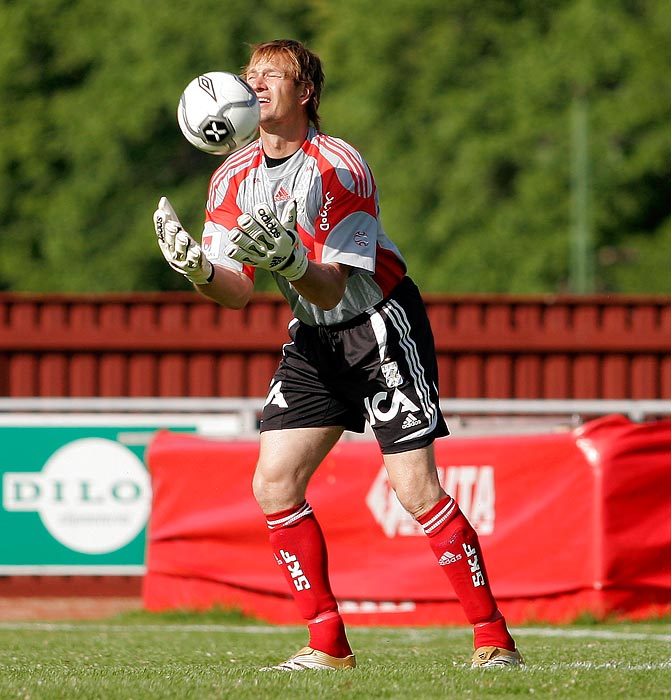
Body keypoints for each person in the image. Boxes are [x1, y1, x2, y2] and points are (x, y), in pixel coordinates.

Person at [153, 38, 523, 671]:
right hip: (314, 336)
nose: (257, 84)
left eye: (275, 76)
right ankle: (327, 645)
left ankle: (494, 639)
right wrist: (196, 271)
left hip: (378, 325)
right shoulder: (229, 176)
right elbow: (237, 291)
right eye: (251, 75)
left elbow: (330, 280)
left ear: (306, 94)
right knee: (273, 483)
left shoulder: (338, 167)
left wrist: (291, 260)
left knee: (415, 489)